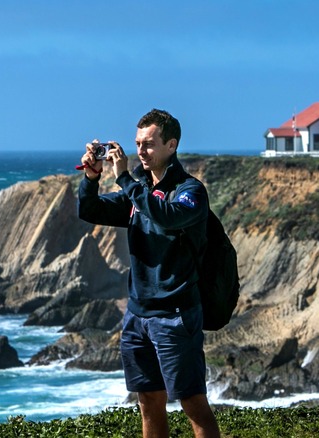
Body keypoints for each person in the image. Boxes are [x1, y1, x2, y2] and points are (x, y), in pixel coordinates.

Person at [77, 108, 220, 438]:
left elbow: (167, 216)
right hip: (138, 315)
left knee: (192, 401)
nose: (141, 150)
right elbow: (90, 209)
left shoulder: (190, 191)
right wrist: (91, 177)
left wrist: (125, 179)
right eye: (138, 143)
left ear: (171, 145)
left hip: (175, 314)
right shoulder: (137, 193)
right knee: (148, 400)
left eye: (149, 144)